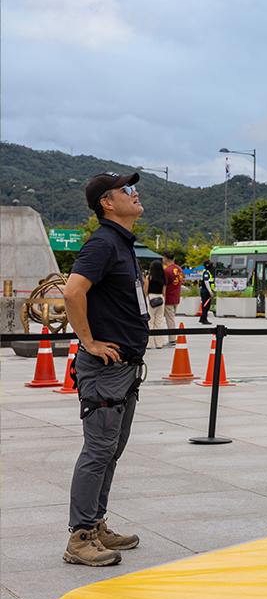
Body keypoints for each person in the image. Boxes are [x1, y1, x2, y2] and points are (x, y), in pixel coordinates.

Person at [61, 172, 149, 566]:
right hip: (105, 368)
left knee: (112, 451)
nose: (136, 193)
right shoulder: (102, 243)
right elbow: (72, 290)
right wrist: (89, 342)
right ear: (107, 203)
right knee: (98, 450)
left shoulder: (122, 243)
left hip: (126, 368)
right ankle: (79, 538)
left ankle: (96, 524)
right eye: (127, 190)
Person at [143, 258, 167, 348]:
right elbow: (164, 292)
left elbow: (146, 290)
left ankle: (149, 344)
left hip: (151, 298)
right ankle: (159, 343)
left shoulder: (149, 277)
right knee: (159, 321)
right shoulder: (163, 278)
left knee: (150, 321)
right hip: (161, 298)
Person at [162, 253, 183, 337]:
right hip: (176, 297)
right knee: (172, 318)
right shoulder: (179, 269)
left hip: (169, 297)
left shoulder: (167, 271)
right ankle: (172, 337)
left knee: (170, 319)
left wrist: (163, 297)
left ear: (166, 258)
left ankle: (172, 338)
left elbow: (164, 285)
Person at [198, 260, 215, 325]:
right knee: (206, 306)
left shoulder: (207, 272)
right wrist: (210, 291)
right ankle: (204, 319)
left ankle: (202, 318)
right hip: (206, 291)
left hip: (206, 291)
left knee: (206, 305)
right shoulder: (206, 272)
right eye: (210, 264)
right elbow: (206, 282)